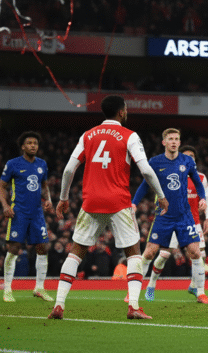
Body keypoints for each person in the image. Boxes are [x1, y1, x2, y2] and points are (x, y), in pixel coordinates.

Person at [49, 95, 168, 320]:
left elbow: (68, 170)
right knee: (133, 253)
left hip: (91, 201)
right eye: (126, 109)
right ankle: (133, 306)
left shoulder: (88, 135)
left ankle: (59, 305)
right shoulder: (129, 135)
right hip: (118, 202)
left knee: (76, 252)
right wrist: (161, 196)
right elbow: (145, 169)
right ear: (121, 112)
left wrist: (63, 197)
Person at [131, 129, 208, 304]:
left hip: (184, 216)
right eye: (170, 139)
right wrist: (134, 202)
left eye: (176, 139)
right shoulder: (155, 162)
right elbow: (145, 185)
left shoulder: (187, 161)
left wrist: (203, 198)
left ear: (179, 142)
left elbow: (198, 182)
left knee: (195, 252)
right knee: (150, 252)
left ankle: (200, 293)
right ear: (164, 142)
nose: (174, 142)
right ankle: (134, 292)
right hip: (164, 215)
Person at [0, 131, 55, 303]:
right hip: (19, 212)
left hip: (37, 213)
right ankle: (7, 289)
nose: (33, 145)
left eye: (35, 143)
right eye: (29, 143)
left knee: (43, 248)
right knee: (14, 248)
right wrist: (5, 206)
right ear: (23, 146)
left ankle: (39, 287)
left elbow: (44, 185)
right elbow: (2, 186)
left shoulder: (42, 164)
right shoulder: (13, 164)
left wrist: (48, 199)